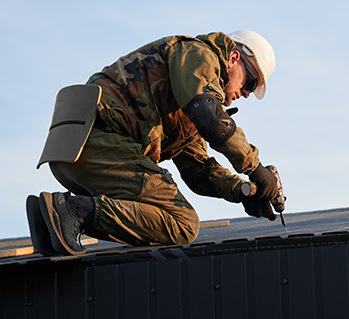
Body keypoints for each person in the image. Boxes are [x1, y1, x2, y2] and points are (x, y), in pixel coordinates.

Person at [26, 30, 281, 256]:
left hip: (79, 149)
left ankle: (52, 221)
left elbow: (198, 170)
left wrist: (245, 190)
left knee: (166, 213)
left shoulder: (188, 106)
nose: (246, 93)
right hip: (98, 139)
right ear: (234, 57)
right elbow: (208, 115)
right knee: (182, 222)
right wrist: (256, 168)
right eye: (250, 82)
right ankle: (74, 210)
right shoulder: (198, 55)